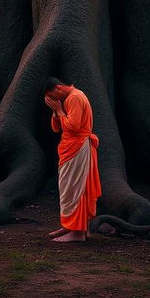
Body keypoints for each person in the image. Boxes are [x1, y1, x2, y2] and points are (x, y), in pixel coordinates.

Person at [44, 77, 101, 242]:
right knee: (71, 188)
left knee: (74, 189)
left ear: (59, 88)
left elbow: (73, 126)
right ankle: (74, 227)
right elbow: (56, 128)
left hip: (77, 148)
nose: (53, 100)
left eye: (53, 95)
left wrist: (60, 112)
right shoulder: (67, 99)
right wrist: (56, 111)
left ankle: (77, 232)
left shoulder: (75, 97)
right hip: (71, 148)